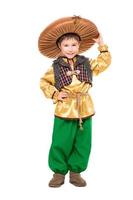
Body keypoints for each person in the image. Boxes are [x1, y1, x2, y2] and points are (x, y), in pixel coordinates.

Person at [38, 16, 111, 187]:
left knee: (83, 141)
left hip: (84, 107)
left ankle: (76, 172)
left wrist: (102, 45)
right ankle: (58, 172)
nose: (70, 49)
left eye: (73, 45)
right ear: (59, 47)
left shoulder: (87, 63)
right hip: (65, 109)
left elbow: (103, 63)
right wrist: (56, 94)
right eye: (66, 45)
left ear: (79, 46)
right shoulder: (54, 68)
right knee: (61, 141)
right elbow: (44, 82)